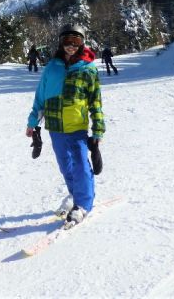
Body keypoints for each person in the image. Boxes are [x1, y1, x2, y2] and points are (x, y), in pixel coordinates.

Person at [26, 24, 105, 224]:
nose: (71, 46)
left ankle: (84, 204)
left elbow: (95, 101)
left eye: (76, 41)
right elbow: (41, 97)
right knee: (65, 165)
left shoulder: (88, 69)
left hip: (77, 126)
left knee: (80, 165)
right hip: (55, 126)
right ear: (61, 43)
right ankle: (73, 194)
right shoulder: (52, 67)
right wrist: (33, 123)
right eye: (67, 41)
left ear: (82, 43)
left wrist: (98, 129)